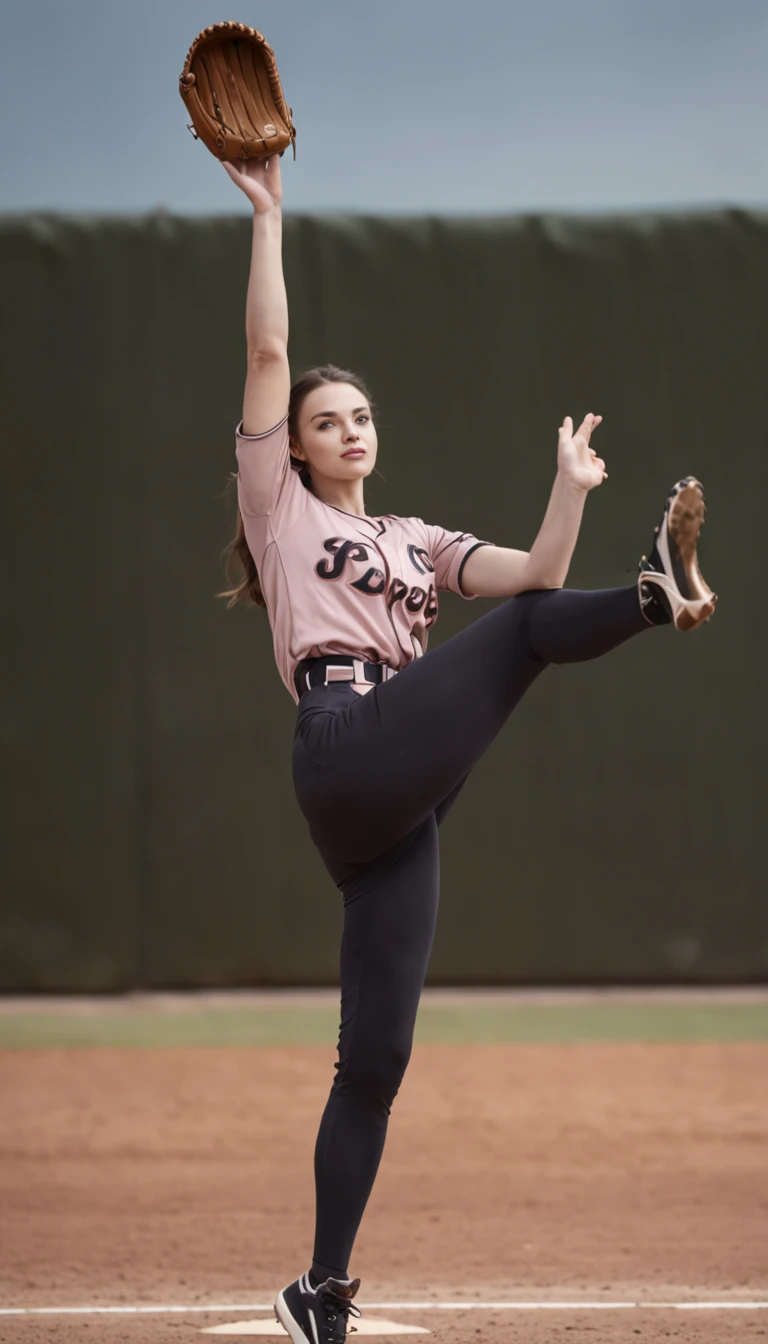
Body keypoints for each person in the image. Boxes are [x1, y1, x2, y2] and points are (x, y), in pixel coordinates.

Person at [217, 154, 716, 1344]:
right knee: (535, 634)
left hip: (401, 806)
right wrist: (272, 218)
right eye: (325, 423)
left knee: (376, 1058)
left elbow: (535, 573)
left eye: (359, 417)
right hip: (345, 740)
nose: (347, 429)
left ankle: (320, 1287)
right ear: (290, 449)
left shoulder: (412, 535)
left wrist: (570, 484)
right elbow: (270, 359)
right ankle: (655, 597)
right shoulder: (279, 511)